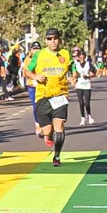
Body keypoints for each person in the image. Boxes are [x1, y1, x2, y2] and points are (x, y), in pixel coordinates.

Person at [26, 28, 73, 165]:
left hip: (60, 95)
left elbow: (73, 70)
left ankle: (57, 156)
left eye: (55, 38)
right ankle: (49, 134)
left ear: (60, 39)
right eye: (50, 39)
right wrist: (35, 76)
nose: (53, 41)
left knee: (60, 125)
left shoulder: (65, 54)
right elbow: (27, 71)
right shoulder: (39, 55)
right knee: (47, 130)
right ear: (46, 41)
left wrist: (73, 78)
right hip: (43, 96)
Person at [72, 48, 94, 126]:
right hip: (79, 85)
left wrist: (88, 76)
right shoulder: (75, 64)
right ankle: (82, 118)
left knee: (87, 103)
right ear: (78, 57)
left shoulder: (88, 64)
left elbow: (93, 73)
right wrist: (75, 76)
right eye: (80, 57)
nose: (81, 58)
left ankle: (89, 116)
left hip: (87, 85)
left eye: (82, 57)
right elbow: (74, 74)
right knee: (81, 103)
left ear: (85, 57)